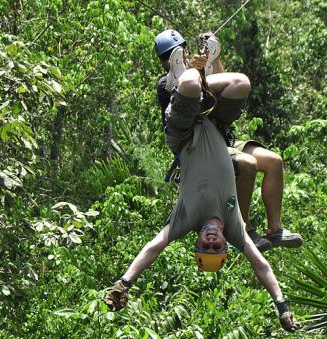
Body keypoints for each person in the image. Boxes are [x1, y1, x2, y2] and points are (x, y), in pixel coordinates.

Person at [104, 37, 301, 332]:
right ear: (224, 244)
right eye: (216, 246)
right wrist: (282, 306)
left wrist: (125, 282)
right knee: (242, 83)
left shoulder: (187, 219)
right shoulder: (235, 228)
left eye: (205, 246)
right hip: (214, 126)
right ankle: (198, 69)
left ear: (196, 242)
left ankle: (183, 77)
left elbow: (153, 247)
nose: (211, 241)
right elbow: (262, 266)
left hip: (184, 132)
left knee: (190, 86)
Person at [154, 29, 302, 252]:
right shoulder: (165, 84)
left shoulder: (201, 71)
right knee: (247, 165)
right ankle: (245, 230)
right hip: (201, 145)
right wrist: (196, 71)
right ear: (164, 62)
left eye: (181, 50)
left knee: (274, 162)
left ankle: (276, 228)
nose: (179, 55)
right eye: (169, 56)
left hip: (223, 138)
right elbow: (192, 105)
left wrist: (213, 57)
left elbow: (225, 91)